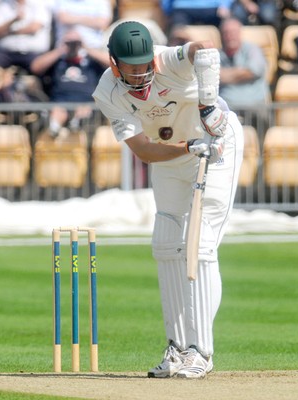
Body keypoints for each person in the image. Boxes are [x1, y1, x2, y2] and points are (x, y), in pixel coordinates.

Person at [93, 21, 244, 378]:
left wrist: (208, 106)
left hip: (218, 151)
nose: (141, 72)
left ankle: (201, 351)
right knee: (165, 242)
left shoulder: (167, 60)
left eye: (144, 64)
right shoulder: (107, 92)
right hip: (174, 154)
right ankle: (177, 348)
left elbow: (205, 46)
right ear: (114, 64)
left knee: (201, 244)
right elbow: (144, 149)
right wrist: (188, 146)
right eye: (131, 67)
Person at [30, 29, 109, 137]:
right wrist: (60, 50)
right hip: (60, 102)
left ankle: (76, 126)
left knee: (83, 110)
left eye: (76, 42)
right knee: (57, 112)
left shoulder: (90, 62)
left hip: (85, 103)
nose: (72, 45)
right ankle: (54, 130)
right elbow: (35, 67)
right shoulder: (57, 61)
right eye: (69, 42)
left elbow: (113, 64)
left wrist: (87, 48)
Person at [218, 17, 271, 129]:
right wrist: (242, 72)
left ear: (240, 33)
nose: (229, 36)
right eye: (226, 33)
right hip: (226, 111)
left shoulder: (252, 49)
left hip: (255, 108)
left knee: (263, 120)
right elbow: (213, 76)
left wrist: (224, 75)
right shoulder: (217, 54)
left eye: (233, 32)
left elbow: (254, 71)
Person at [0, 0, 53, 74]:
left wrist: (10, 32)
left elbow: (34, 28)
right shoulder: (3, 4)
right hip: (6, 54)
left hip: (33, 54)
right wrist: (14, 20)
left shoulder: (40, 3)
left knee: (39, 67)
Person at [160, 0, 233, 30]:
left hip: (214, 9)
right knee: (178, 34)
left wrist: (225, 5)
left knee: (229, 28)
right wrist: (168, 12)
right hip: (182, 8)